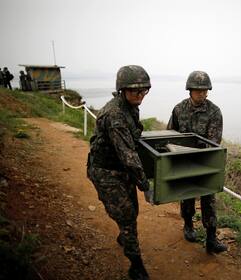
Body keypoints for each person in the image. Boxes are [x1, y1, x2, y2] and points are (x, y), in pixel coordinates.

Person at [87, 65, 151, 280]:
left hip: (121, 170)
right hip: (105, 171)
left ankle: (125, 236)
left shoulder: (130, 105)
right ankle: (136, 265)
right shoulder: (114, 114)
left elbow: (133, 140)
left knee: (131, 210)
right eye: (136, 91)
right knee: (127, 216)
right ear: (122, 90)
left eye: (144, 91)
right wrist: (145, 184)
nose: (141, 96)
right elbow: (128, 155)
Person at [167, 70, 227, 254]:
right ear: (190, 90)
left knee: (208, 199)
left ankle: (210, 238)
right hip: (183, 161)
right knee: (187, 196)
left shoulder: (214, 112)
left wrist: (201, 161)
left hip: (205, 164)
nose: (202, 93)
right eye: (198, 90)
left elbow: (214, 141)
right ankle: (188, 225)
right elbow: (171, 133)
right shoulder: (179, 109)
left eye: (205, 90)